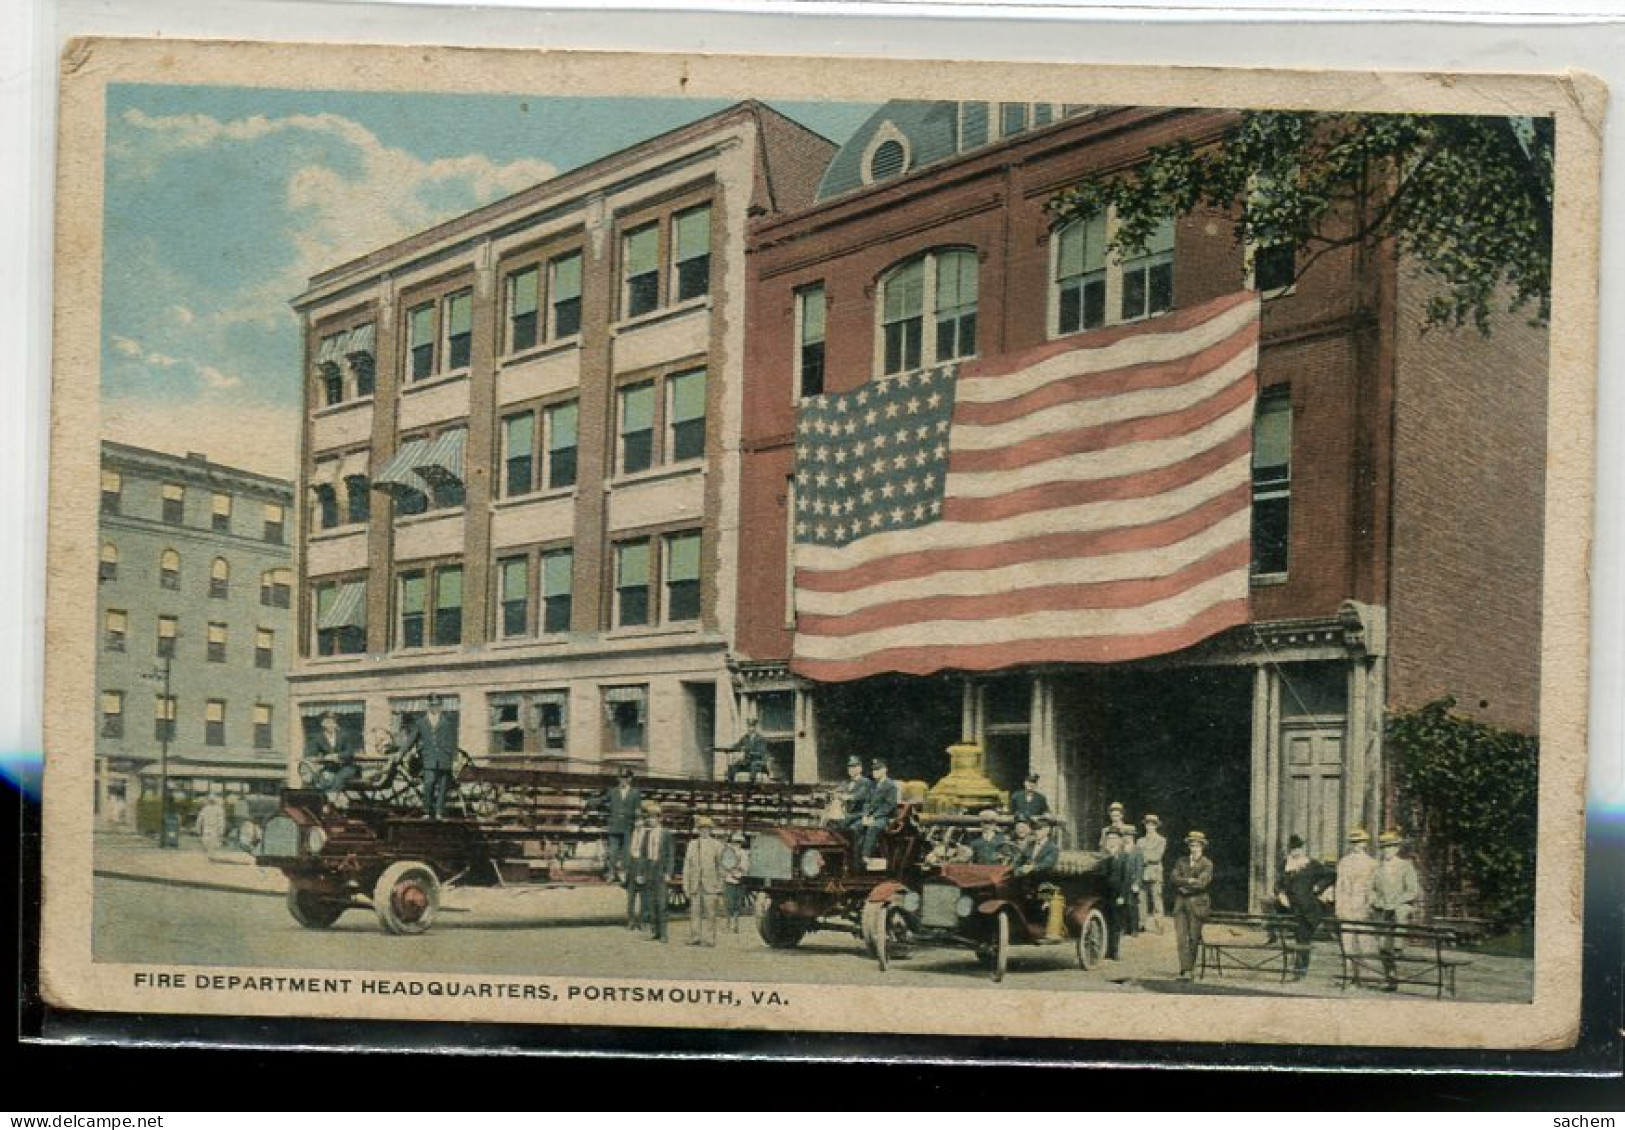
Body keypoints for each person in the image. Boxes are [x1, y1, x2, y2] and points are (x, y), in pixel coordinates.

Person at [1369, 830, 1423, 991]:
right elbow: (1370, 889)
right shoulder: (1378, 868)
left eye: (1391, 847)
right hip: (1383, 908)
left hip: (1400, 906)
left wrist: (1397, 901)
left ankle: (1399, 945)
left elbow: (1413, 890)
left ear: (1397, 848)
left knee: (1399, 916)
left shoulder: (1405, 866)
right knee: (1383, 945)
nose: (1387, 851)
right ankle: (1390, 976)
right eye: (1385, 848)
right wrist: (1374, 899)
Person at [1275, 833, 1335, 979]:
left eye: (1298, 849)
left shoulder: (1311, 864)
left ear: (1303, 849)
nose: (1295, 852)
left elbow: (1332, 875)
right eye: (1292, 849)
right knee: (1298, 939)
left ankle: (1300, 970)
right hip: (1291, 909)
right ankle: (1299, 968)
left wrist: (1317, 887)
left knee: (1303, 939)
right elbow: (1278, 883)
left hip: (1308, 909)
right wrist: (1280, 894)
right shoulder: (1285, 864)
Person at [396, 694, 459, 819]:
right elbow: (411, 739)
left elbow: (452, 742)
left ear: (441, 706)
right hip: (429, 758)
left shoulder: (447, 722)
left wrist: (455, 759)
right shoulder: (421, 722)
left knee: (443, 786)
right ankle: (426, 811)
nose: (434, 707)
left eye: (437, 705)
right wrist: (400, 753)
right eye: (432, 705)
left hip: (444, 758)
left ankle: (439, 812)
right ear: (428, 706)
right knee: (429, 783)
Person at [1335, 827, 1379, 980]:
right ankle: (1349, 974)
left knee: (1364, 940)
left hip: (1362, 904)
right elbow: (1339, 885)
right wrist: (1338, 907)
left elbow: (1374, 887)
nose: (1357, 845)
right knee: (1347, 940)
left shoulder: (1371, 863)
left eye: (1360, 842)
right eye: (1354, 842)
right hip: (1346, 904)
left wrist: (1369, 904)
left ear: (1365, 844)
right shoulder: (1344, 862)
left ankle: (1368, 974)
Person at [628, 802, 675, 942]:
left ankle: (664, 933)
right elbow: (642, 855)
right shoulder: (646, 834)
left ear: (659, 819)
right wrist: (640, 873)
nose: (651, 820)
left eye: (654, 817)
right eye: (649, 817)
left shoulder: (666, 834)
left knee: (661, 903)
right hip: (649, 869)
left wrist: (668, 872)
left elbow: (670, 854)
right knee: (651, 903)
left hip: (660, 869)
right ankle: (656, 932)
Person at [1171, 830, 1215, 980]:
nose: (1194, 848)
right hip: (1181, 903)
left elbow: (1202, 883)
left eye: (1197, 846)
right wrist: (1189, 881)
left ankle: (1190, 968)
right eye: (1192, 845)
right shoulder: (1181, 861)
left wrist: (1184, 883)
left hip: (1197, 904)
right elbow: (1174, 878)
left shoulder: (1207, 863)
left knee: (1193, 937)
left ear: (1202, 847)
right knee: (1181, 937)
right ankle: (1184, 969)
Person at [683, 816, 727, 947]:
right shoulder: (692, 845)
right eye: (702, 829)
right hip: (695, 884)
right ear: (698, 830)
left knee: (710, 913)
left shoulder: (717, 845)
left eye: (707, 829)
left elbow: (721, 866)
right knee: (694, 912)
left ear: (710, 830)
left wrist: (720, 885)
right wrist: (686, 885)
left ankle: (710, 939)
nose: (704, 831)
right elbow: (687, 866)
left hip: (710, 884)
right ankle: (695, 937)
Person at [597, 768, 643, 885]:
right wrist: (591, 801)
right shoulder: (612, 791)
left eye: (626, 778)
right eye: (621, 778)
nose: (623, 780)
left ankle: (623, 874)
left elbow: (638, 808)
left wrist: (638, 820)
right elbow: (602, 800)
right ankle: (612, 873)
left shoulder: (635, 793)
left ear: (630, 779)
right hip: (614, 826)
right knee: (612, 852)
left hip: (628, 826)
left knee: (626, 852)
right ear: (618, 779)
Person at [306, 711, 359, 797]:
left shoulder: (344, 735)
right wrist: (317, 759)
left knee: (338, 780)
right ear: (322, 724)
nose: (331, 725)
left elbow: (350, 751)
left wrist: (337, 755)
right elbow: (311, 753)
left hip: (346, 767)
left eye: (333, 722)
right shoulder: (318, 738)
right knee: (319, 781)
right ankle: (325, 803)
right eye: (328, 722)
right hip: (329, 768)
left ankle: (331, 800)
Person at [1102, 829, 1136, 960]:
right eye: (1109, 839)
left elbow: (1127, 878)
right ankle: (1106, 950)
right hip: (1105, 894)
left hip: (1118, 895)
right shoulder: (1104, 856)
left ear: (1119, 841)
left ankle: (1114, 951)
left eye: (1114, 838)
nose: (1111, 841)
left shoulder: (1123, 857)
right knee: (1106, 922)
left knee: (1116, 923)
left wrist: (1122, 895)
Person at [857, 757, 899, 859]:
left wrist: (874, 817)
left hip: (885, 818)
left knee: (874, 827)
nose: (874, 772)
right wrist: (865, 815)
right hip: (871, 816)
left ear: (884, 770)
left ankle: (865, 856)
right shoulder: (874, 785)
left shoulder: (890, 785)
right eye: (873, 770)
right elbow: (867, 802)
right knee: (856, 826)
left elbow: (889, 806)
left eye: (877, 769)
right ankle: (855, 855)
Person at [717, 718, 771, 783]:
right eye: (749, 726)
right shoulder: (745, 738)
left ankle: (752, 786)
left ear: (755, 727)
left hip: (758, 763)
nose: (750, 729)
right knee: (733, 766)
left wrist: (749, 752)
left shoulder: (761, 739)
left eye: (752, 726)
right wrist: (727, 749)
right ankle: (730, 783)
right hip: (747, 762)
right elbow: (737, 746)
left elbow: (761, 753)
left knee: (753, 766)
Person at [1139, 813, 1167, 934]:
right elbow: (1136, 855)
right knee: (1141, 899)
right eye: (1147, 824)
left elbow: (1157, 856)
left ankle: (1159, 924)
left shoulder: (1161, 840)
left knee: (1157, 899)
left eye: (1152, 824)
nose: (1149, 827)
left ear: (1156, 826)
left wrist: (1143, 857)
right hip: (1142, 872)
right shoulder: (1140, 841)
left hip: (1155, 873)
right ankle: (1141, 923)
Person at [830, 756, 873, 829]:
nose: (851, 770)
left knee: (852, 828)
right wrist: (835, 795)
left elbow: (859, 795)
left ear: (860, 769)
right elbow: (835, 792)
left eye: (854, 767)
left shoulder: (865, 782)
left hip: (860, 815)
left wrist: (846, 797)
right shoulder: (845, 783)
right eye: (849, 768)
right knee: (830, 823)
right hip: (846, 815)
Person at [721, 831, 751, 931]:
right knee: (729, 903)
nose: (737, 844)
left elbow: (745, 867)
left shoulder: (744, 853)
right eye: (735, 842)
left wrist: (738, 868)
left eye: (738, 842)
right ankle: (728, 923)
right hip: (729, 881)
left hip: (740, 881)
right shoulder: (728, 852)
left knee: (737, 904)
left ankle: (735, 924)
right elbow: (724, 865)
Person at [1121, 824, 1145, 935]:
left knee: (1132, 905)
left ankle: (1134, 929)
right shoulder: (1121, 850)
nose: (1127, 838)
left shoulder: (1137, 851)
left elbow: (1139, 869)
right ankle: (1124, 928)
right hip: (1122, 881)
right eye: (1125, 836)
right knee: (1122, 904)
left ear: (1133, 837)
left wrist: (1137, 883)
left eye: (1129, 836)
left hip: (1132, 881)